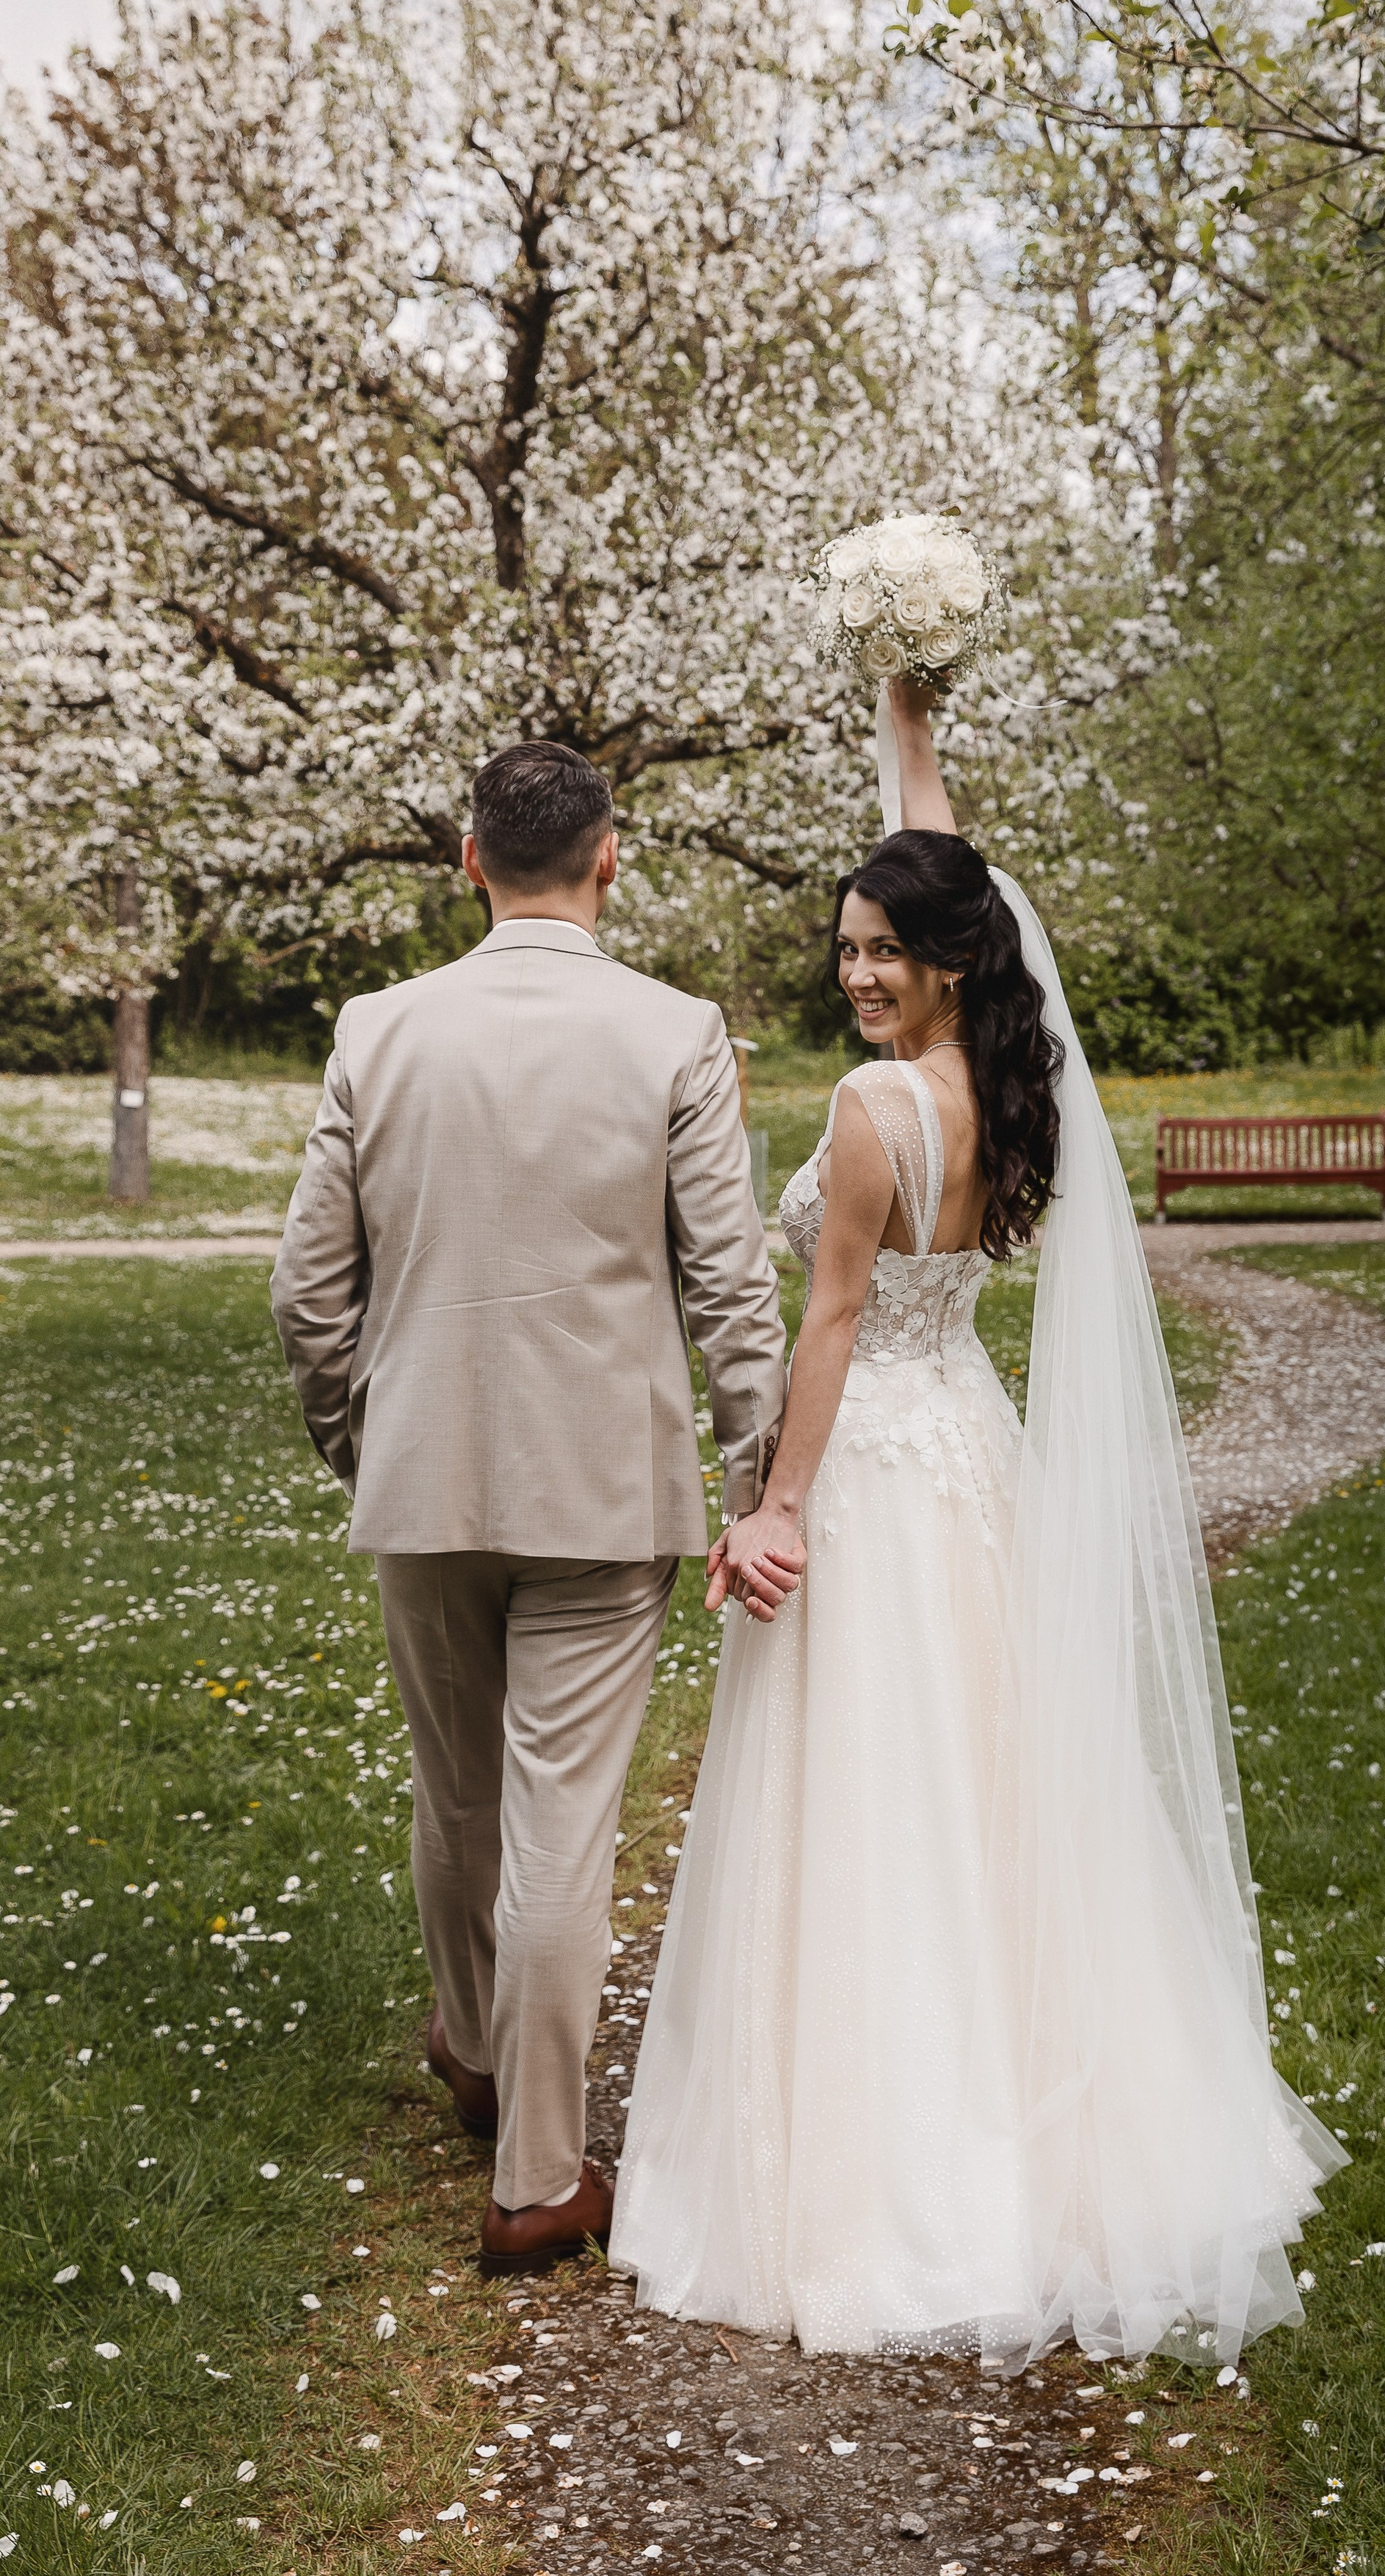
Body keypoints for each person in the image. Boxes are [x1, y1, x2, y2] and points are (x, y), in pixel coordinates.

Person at [610, 680, 1342, 2367]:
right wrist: (903, 724)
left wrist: (776, 1510)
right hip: (971, 1448)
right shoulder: (1023, 1084)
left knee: (872, 1795)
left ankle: (889, 2178)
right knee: (986, 1784)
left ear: (947, 958)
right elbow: (949, 867)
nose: (855, 972)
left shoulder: (872, 1112)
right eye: (844, 947)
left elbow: (830, 1324)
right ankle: (1045, 2131)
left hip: (876, 1465)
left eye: (882, 949)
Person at [270, 741, 793, 2277]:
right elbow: (731, 1290)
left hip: (422, 1476)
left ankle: (481, 2054)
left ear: (469, 860)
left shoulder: (377, 1029)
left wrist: (362, 1440)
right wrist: (755, 1485)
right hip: (603, 1495)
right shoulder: (676, 1033)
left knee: (456, 1797)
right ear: (609, 858)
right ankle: (538, 2176)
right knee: (560, 1824)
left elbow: (307, 1291)